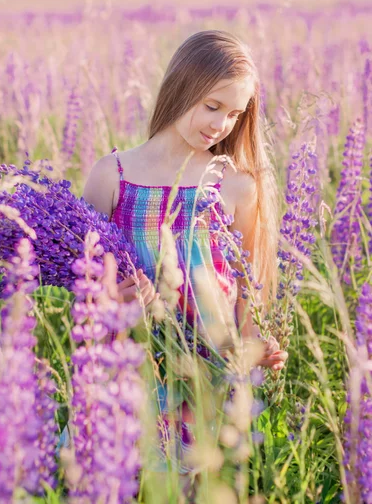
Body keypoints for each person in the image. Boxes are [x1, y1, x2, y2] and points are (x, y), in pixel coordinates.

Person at [82, 29, 288, 485]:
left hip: (205, 386)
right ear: (181, 87)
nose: (220, 125)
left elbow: (247, 294)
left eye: (235, 114)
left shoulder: (236, 186)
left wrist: (255, 351)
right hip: (127, 379)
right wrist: (111, 295)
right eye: (212, 106)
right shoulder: (111, 174)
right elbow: (80, 288)